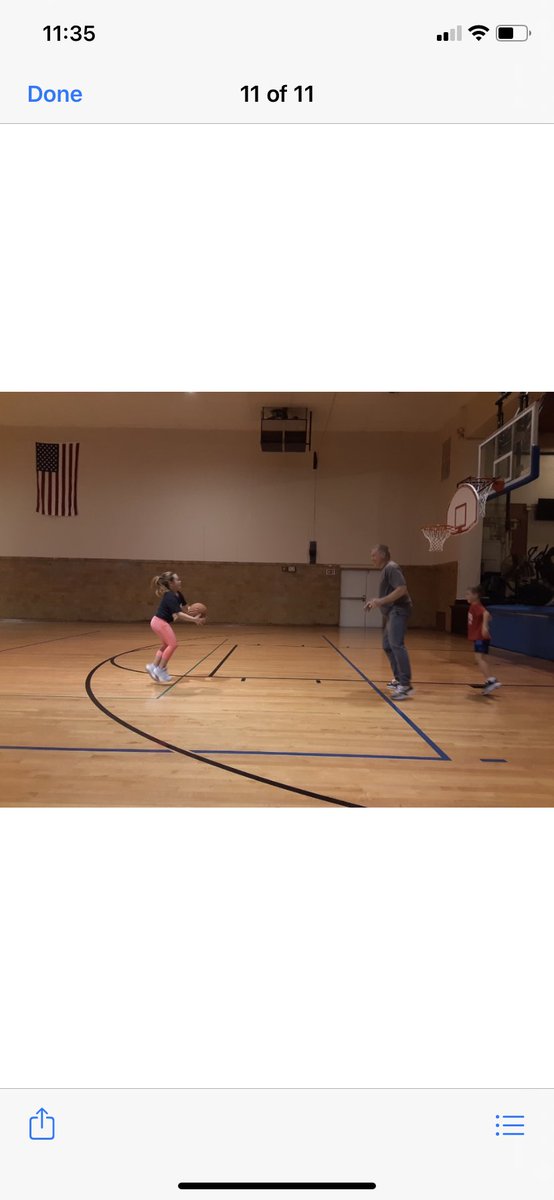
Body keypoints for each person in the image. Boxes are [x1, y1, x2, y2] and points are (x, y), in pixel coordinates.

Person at [364, 544, 414, 700]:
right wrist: (375, 601)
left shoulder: (392, 567)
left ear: (383, 555)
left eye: (374, 555)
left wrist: (380, 601)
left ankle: (405, 685)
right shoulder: (386, 569)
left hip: (398, 610)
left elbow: (401, 589)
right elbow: (389, 593)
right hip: (392, 613)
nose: (372, 558)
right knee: (387, 645)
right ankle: (399, 679)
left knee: (396, 645)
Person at [146, 571, 205, 683]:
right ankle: (160, 669)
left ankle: (153, 666)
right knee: (173, 644)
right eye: (177, 579)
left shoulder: (178, 594)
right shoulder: (170, 596)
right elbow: (179, 614)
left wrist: (197, 614)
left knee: (166, 645)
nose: (180, 581)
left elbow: (187, 609)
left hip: (157, 622)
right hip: (160, 622)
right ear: (171, 583)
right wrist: (194, 620)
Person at [466, 585, 501, 695]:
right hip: (480, 637)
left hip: (480, 637)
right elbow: (489, 616)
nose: (466, 596)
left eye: (468, 594)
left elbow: (486, 614)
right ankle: (489, 680)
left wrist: (484, 627)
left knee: (479, 659)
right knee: (482, 659)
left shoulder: (476, 606)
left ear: (476, 595)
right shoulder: (475, 606)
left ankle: (491, 680)